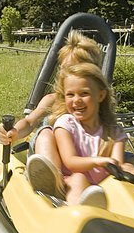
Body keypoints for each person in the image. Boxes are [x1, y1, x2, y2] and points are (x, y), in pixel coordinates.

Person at [0, 29, 104, 172]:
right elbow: (29, 122)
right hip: (47, 158)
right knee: (46, 133)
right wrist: (14, 132)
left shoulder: (96, 105)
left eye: (77, 71)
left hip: (80, 162)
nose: (70, 76)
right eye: (65, 70)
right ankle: (51, 179)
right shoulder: (52, 100)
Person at [36, 62, 127, 208]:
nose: (76, 100)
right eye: (70, 95)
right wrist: (99, 161)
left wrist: (126, 168)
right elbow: (71, 162)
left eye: (84, 93)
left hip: (101, 189)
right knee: (79, 179)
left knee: (122, 183)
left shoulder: (114, 133)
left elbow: (117, 165)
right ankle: (76, 216)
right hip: (69, 184)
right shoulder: (66, 124)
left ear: (101, 95)